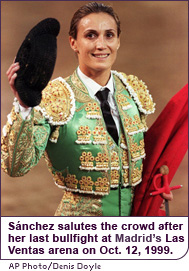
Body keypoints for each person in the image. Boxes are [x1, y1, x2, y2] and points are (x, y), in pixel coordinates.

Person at [2, 2, 169, 216]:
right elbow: (16, 167)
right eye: (91, 35)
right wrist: (24, 107)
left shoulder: (132, 91)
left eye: (109, 35)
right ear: (74, 43)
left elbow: (141, 162)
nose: (101, 44)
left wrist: (155, 192)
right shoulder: (55, 97)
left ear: (118, 41)